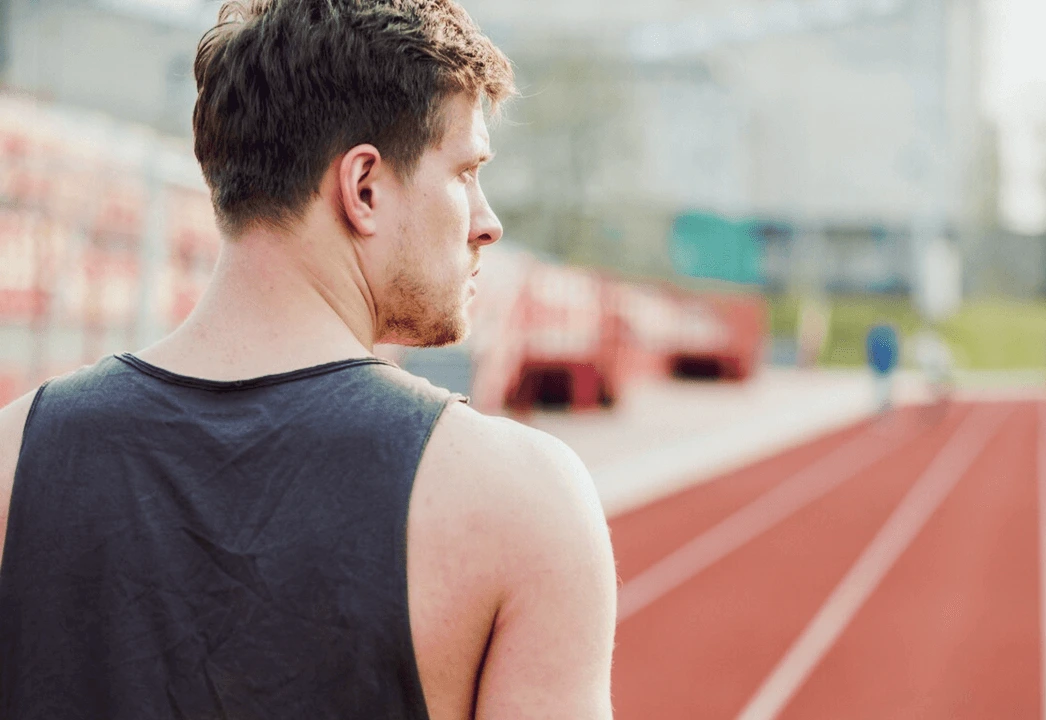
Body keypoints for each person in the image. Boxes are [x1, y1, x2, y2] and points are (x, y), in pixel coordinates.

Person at [0, 2, 617, 718]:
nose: (488, 221)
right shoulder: (520, 499)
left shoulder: (16, 456)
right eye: (464, 172)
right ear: (364, 189)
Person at [866, 323, 899, 412]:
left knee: (883, 388)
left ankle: (883, 406)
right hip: (881, 368)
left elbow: (869, 352)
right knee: (883, 388)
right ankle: (883, 406)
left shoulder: (878, 336)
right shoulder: (889, 336)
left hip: (881, 368)